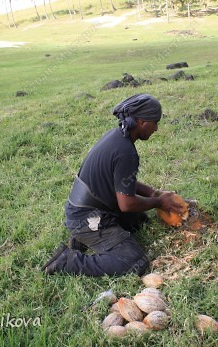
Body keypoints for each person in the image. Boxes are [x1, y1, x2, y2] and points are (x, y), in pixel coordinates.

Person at [42, 93, 185, 277]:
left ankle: (84, 238)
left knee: (139, 221)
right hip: (87, 217)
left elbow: (121, 183)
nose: (156, 128)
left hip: (86, 207)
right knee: (135, 261)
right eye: (155, 122)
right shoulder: (126, 152)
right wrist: (159, 202)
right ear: (141, 121)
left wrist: (153, 193)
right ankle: (68, 261)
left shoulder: (117, 137)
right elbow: (127, 204)